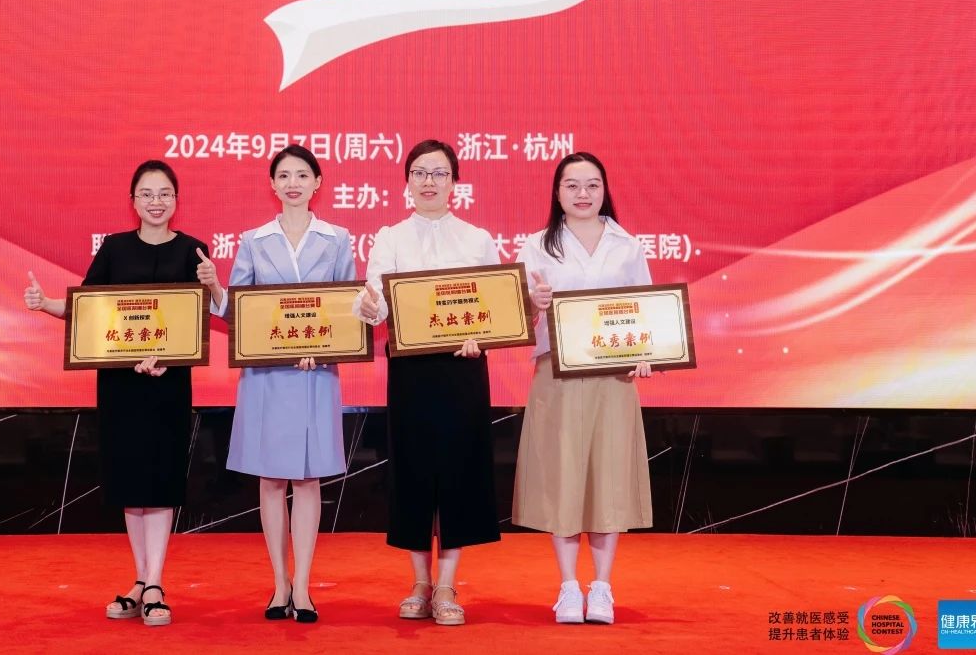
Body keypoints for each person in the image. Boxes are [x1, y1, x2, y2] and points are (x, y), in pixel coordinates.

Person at [24, 159, 207, 627]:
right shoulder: (114, 248)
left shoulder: (193, 251)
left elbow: (198, 320)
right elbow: (88, 308)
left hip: (168, 383)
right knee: (130, 483)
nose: (156, 202)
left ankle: (156, 581)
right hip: (120, 384)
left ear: (176, 200)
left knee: (160, 481)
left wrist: (169, 358)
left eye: (164, 193)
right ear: (133, 201)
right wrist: (45, 304)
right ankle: (141, 581)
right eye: (146, 193)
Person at [198, 144, 356, 624]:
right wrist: (215, 287)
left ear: (317, 183)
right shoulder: (253, 240)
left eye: (302, 175)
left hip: (314, 373)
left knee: (307, 479)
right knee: (270, 479)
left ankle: (303, 587)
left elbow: (348, 307)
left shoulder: (338, 238)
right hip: (267, 376)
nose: (293, 183)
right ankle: (279, 584)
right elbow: (239, 310)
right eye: (284, 175)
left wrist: (322, 347)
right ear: (272, 184)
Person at [353, 139, 500, 627]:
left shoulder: (477, 239)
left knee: (460, 471)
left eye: (439, 173)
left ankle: (447, 583)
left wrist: (482, 334)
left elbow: (493, 304)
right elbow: (375, 300)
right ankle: (419, 580)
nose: (429, 181)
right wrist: (369, 307)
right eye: (420, 172)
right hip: (411, 369)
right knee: (413, 471)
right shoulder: (390, 237)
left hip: (463, 366)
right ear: (407, 182)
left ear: (455, 182)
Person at [515, 152, 657, 625]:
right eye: (572, 185)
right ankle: (568, 587)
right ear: (556, 193)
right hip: (557, 375)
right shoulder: (537, 246)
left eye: (592, 184)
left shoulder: (627, 246)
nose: (582, 193)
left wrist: (645, 353)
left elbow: (646, 311)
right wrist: (532, 303)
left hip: (613, 379)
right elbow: (517, 320)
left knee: (607, 478)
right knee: (564, 476)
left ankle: (602, 588)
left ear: (604, 190)